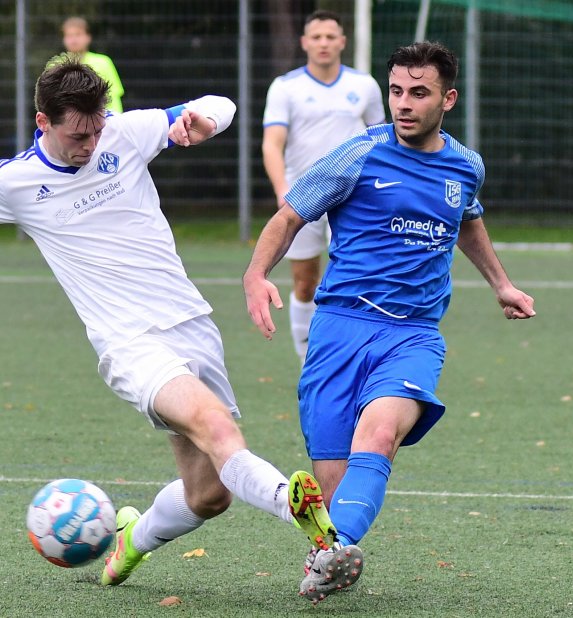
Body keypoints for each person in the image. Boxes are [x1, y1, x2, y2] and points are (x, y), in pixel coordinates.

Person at [0, 56, 338, 590]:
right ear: (43, 122)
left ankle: (129, 543)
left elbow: (220, 105)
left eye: (97, 129)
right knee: (218, 428)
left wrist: (202, 121)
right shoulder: (16, 183)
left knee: (209, 494)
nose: (90, 144)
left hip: (192, 324)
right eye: (77, 135)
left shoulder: (125, 133)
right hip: (130, 343)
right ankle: (305, 518)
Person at [244, 41, 536, 604]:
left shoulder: (465, 165)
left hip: (414, 335)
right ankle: (330, 548)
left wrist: (501, 283)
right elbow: (289, 215)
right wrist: (256, 274)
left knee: (379, 433)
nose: (404, 103)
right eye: (397, 90)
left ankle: (333, 550)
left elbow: (467, 220)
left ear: (447, 99)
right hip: (339, 329)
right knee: (330, 490)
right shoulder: (356, 156)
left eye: (419, 93)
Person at [262, 9, 385, 364]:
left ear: (342, 42)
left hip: (353, 200)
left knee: (352, 279)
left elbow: (382, 140)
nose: (324, 43)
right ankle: (308, 362)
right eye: (316, 37)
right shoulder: (286, 87)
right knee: (304, 284)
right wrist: (282, 188)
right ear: (304, 43)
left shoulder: (363, 85)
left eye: (331, 37)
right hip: (303, 199)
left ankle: (354, 355)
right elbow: (272, 143)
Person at [62, 16, 125, 113]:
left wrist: (114, 121)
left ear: (88, 37)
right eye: (69, 36)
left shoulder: (103, 62)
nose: (73, 40)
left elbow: (114, 97)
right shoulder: (56, 66)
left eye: (78, 34)